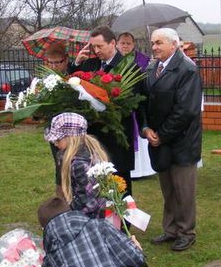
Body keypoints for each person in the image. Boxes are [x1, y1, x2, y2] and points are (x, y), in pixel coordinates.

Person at [137, 28, 202, 252]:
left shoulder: (187, 70)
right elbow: (143, 102)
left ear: (174, 44)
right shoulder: (152, 68)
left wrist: (162, 134)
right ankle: (171, 229)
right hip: (159, 140)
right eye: (152, 43)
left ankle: (186, 232)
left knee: (183, 190)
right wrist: (146, 128)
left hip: (182, 141)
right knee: (168, 189)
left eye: (159, 43)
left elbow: (186, 110)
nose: (154, 47)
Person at [74, 26, 138, 195]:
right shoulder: (90, 64)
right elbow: (73, 86)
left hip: (116, 135)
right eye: (93, 47)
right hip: (93, 135)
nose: (96, 51)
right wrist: (76, 64)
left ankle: (123, 220)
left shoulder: (128, 67)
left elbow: (134, 100)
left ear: (112, 43)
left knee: (119, 184)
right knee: (95, 184)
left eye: (100, 46)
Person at [44, 113, 109, 218]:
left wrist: (66, 214)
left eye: (57, 139)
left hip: (91, 221)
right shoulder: (90, 151)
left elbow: (89, 203)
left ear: (71, 138)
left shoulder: (79, 164)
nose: (55, 143)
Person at [116, 32, 156, 179]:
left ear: (133, 45)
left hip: (136, 102)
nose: (125, 46)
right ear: (117, 44)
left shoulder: (142, 60)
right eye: (122, 43)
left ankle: (142, 170)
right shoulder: (115, 60)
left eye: (128, 43)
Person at [44, 43, 72, 197]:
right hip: (55, 131)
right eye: (50, 62)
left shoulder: (74, 76)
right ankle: (61, 199)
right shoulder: (44, 80)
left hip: (73, 130)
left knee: (72, 165)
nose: (54, 66)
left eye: (58, 62)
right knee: (60, 165)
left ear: (66, 60)